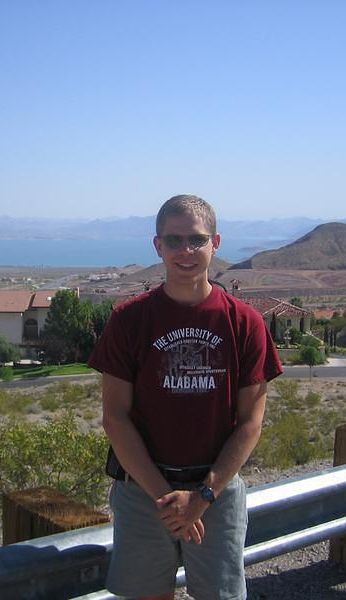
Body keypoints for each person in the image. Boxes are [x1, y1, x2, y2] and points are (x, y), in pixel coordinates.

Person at [88, 194, 283, 599]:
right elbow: (115, 418)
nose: (186, 251)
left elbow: (251, 423)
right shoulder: (129, 321)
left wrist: (202, 496)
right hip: (143, 492)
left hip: (217, 492)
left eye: (196, 239)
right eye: (173, 240)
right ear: (157, 246)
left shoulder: (244, 323)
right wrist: (165, 498)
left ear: (216, 242)